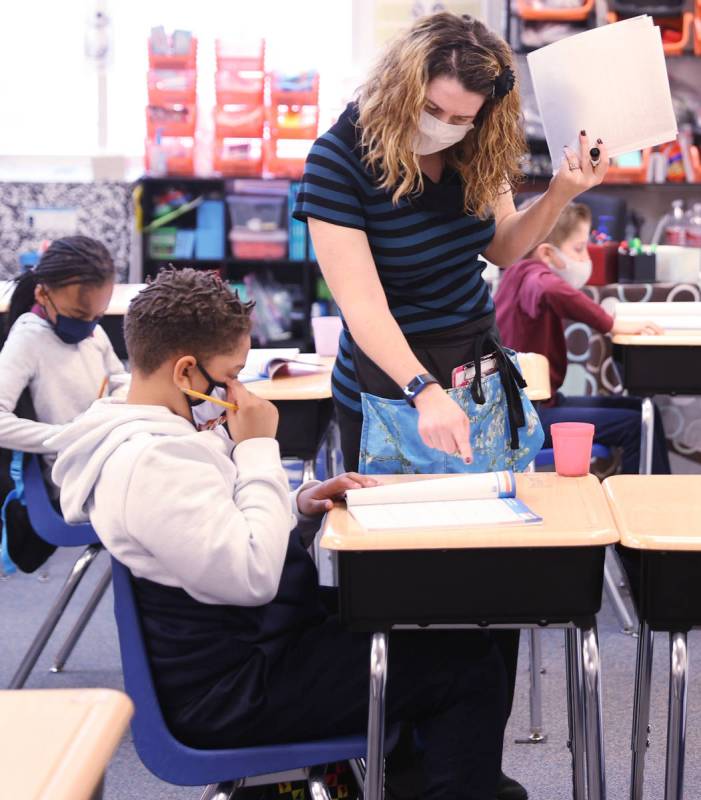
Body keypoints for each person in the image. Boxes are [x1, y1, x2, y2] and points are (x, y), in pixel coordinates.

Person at [293, 12, 607, 797]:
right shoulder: (339, 159)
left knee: (493, 586)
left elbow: (502, 249)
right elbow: (363, 310)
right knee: (410, 589)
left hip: (473, 376)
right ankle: (401, 771)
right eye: (437, 112)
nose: (448, 128)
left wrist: (560, 191)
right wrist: (421, 390)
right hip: (390, 390)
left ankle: (469, 773)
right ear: (403, 89)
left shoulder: (474, 147)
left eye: (466, 118)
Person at [50, 268, 509, 800]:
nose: (241, 393)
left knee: (428, 625)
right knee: (467, 666)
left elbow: (220, 529)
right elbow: (253, 577)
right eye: (232, 375)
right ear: (184, 372)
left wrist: (298, 505)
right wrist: (258, 448)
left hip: (254, 649)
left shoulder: (160, 440)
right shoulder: (153, 460)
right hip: (233, 691)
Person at [494, 200, 671, 474]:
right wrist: (611, 324)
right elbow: (548, 290)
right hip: (527, 416)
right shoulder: (530, 275)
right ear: (547, 254)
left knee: (645, 409)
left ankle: (660, 497)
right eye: (578, 249)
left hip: (543, 402)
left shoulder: (515, 274)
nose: (585, 258)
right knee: (637, 424)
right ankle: (641, 509)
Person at [0, 235, 128, 485]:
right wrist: (64, 436)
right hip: (67, 479)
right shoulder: (29, 338)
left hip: (100, 456)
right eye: (78, 315)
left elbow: (119, 379)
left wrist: (117, 405)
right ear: (42, 294)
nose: (89, 327)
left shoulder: (94, 332)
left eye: (98, 316)